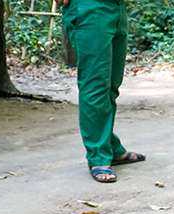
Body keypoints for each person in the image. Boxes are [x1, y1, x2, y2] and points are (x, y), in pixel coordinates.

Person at [60, 0, 145, 183]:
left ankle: (111, 147)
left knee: (111, 86)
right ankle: (98, 156)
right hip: (89, 8)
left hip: (117, 7)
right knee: (95, 86)